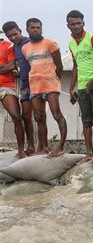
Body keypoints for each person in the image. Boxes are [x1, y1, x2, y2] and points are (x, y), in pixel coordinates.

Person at [21, 18, 67, 157]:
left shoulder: (50, 43)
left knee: (56, 114)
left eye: (38, 27)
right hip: (34, 86)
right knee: (39, 117)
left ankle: (60, 146)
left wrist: (54, 80)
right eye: (33, 27)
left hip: (50, 84)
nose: (36, 30)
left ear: (41, 29)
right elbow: (31, 65)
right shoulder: (25, 48)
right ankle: (43, 148)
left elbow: (59, 65)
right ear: (27, 29)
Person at [66, 10, 93, 165]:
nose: (76, 26)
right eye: (73, 24)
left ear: (83, 23)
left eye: (78, 23)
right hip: (81, 86)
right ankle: (88, 153)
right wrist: (71, 88)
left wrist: (92, 81)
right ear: (68, 26)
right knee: (86, 121)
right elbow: (75, 66)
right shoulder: (70, 43)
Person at [3, 21, 36, 156]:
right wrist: (18, 73)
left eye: (15, 34)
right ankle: (30, 147)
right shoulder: (15, 46)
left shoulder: (29, 43)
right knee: (26, 116)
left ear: (20, 31)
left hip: (35, 82)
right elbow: (20, 65)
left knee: (39, 116)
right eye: (9, 36)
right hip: (24, 84)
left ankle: (37, 147)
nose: (13, 38)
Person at [0, 26, 26, 158]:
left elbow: (11, 66)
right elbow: (6, 67)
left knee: (16, 116)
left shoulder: (8, 46)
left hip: (5, 85)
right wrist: (2, 67)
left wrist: (7, 68)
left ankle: (21, 151)